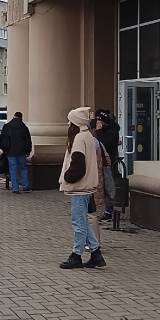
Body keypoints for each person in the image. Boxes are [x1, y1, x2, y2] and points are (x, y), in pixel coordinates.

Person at [58, 107, 106, 269]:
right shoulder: (88, 136)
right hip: (87, 186)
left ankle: (76, 255)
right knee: (83, 221)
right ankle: (96, 253)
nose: (68, 124)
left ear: (75, 123)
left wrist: (67, 177)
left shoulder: (79, 138)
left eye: (70, 121)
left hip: (80, 186)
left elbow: (78, 165)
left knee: (78, 222)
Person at [95, 109, 120, 221]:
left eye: (100, 122)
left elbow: (103, 143)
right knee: (103, 185)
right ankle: (107, 210)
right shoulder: (105, 129)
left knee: (109, 185)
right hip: (101, 161)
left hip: (109, 162)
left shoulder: (112, 131)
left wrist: (99, 131)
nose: (97, 123)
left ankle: (110, 210)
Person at [0, 111, 32, 194]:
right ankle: (25, 186)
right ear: (21, 118)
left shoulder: (7, 126)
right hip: (22, 152)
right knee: (24, 168)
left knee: (13, 169)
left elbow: (1, 139)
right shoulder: (24, 127)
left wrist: (4, 149)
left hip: (10, 151)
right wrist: (28, 150)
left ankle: (15, 188)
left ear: (13, 117)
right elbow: (28, 140)